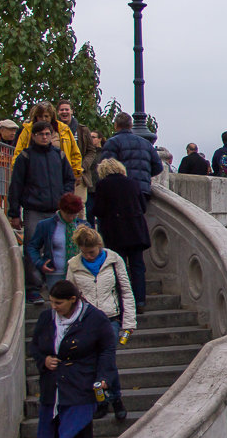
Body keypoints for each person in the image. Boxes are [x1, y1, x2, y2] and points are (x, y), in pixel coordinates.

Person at [28, 279, 117, 438]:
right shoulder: (46, 318)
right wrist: (44, 360)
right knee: (54, 435)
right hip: (53, 388)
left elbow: (107, 350)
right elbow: (34, 346)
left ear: (72, 300)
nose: (54, 307)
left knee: (78, 434)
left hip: (80, 386)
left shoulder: (95, 319)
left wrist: (103, 376)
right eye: (51, 302)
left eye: (58, 303)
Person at [66, 225, 134, 421]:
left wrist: (128, 322)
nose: (88, 256)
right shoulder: (73, 265)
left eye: (92, 252)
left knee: (107, 361)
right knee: (93, 363)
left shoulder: (114, 260)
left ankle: (116, 399)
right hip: (86, 321)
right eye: (84, 252)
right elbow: (70, 295)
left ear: (99, 246)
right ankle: (101, 401)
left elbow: (126, 291)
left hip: (110, 318)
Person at [7, 120, 76, 304]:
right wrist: (14, 212)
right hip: (34, 209)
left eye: (48, 134)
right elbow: (16, 185)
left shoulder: (59, 156)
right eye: (41, 134)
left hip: (56, 209)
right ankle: (33, 288)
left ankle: (55, 286)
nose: (45, 137)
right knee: (33, 248)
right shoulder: (25, 157)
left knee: (57, 247)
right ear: (34, 136)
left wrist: (65, 197)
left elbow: (70, 179)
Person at [91, 158, 151, 311]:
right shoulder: (133, 183)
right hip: (136, 230)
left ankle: (124, 301)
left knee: (119, 267)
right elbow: (142, 206)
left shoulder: (103, 185)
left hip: (115, 231)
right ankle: (140, 300)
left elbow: (98, 210)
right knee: (138, 266)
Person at [98, 112, 162, 209]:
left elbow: (106, 168)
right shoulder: (145, 143)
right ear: (131, 125)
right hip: (142, 191)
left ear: (115, 126)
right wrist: (143, 175)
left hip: (120, 191)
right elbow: (158, 166)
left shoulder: (112, 143)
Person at [27, 193, 87, 294]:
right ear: (61, 210)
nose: (72, 218)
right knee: (59, 304)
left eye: (75, 214)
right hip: (55, 274)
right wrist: (39, 263)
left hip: (80, 272)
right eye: (69, 214)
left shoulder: (83, 226)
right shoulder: (46, 225)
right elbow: (33, 246)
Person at [12, 102, 83, 179]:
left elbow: (75, 153)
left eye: (46, 116)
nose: (43, 119)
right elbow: (18, 152)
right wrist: (16, 172)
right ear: (36, 117)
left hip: (59, 174)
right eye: (40, 116)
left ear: (52, 116)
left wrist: (76, 173)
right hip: (33, 174)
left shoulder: (63, 129)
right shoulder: (27, 130)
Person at [81, 130, 104, 225]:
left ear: (100, 139)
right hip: (90, 188)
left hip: (100, 188)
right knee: (89, 213)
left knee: (101, 215)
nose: (91, 139)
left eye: (93, 137)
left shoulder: (104, 153)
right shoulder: (87, 153)